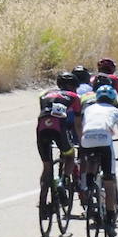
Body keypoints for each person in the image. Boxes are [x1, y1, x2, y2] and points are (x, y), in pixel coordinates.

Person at [79, 85, 118, 237]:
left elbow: (84, 126)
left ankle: (89, 185)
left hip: (86, 140)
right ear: (113, 99)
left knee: (92, 159)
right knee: (109, 183)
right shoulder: (115, 111)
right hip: (104, 142)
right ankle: (109, 221)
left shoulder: (89, 109)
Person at [37, 72, 83, 208]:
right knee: (70, 156)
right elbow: (78, 124)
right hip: (59, 127)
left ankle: (43, 203)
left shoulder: (44, 94)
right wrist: (81, 142)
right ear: (73, 86)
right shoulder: (75, 97)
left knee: (47, 166)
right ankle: (62, 182)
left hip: (41, 127)